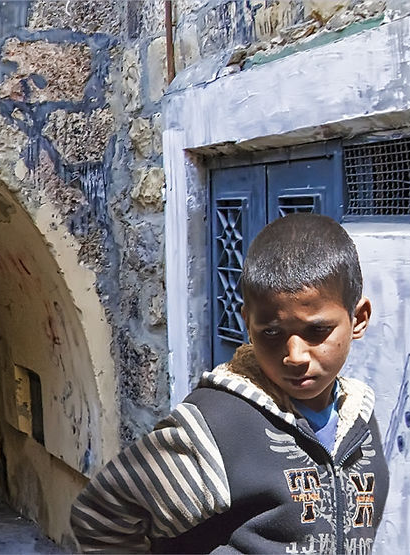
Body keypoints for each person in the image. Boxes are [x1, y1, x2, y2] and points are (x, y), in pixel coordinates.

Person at [71, 213, 388, 554]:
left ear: (359, 319)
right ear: (247, 324)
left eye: (316, 330)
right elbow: (100, 515)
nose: (295, 355)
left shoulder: (359, 419)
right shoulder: (217, 428)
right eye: (271, 333)